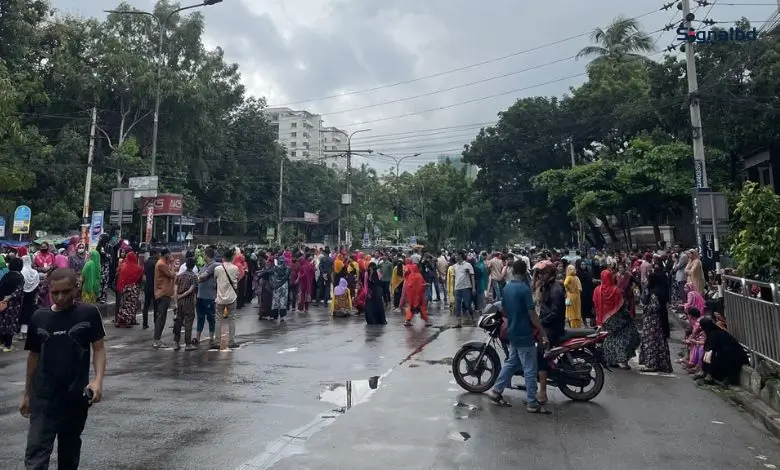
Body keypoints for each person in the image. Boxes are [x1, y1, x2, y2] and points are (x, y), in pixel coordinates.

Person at [21, 268, 106, 470]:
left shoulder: (88, 313)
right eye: (55, 293)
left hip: (74, 398)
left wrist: (97, 381)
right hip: (43, 398)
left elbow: (99, 349)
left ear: (76, 289)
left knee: (69, 455)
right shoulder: (39, 318)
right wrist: (26, 394)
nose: (60, 297)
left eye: (66, 292)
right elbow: (33, 357)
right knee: (36, 455)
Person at [485, 260, 550, 413]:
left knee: (512, 362)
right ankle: (532, 402)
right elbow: (532, 313)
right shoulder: (524, 289)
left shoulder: (507, 288)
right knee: (530, 368)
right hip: (524, 333)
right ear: (525, 271)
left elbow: (504, 310)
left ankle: (496, 390)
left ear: (513, 271)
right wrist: (542, 331)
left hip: (512, 331)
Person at [532, 261, 566, 405]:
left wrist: (541, 322)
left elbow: (555, 313)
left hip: (552, 327)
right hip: (546, 323)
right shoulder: (547, 286)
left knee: (541, 354)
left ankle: (543, 392)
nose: (541, 276)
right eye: (540, 273)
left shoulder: (556, 290)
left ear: (550, 274)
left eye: (543, 273)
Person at [594, 270, 640, 370]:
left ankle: (610, 360)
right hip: (619, 319)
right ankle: (623, 360)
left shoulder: (597, 290)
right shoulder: (616, 291)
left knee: (609, 338)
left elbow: (596, 305)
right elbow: (622, 306)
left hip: (605, 320)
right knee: (626, 336)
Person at [638, 266, 673, 373]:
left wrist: (643, 307)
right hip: (658, 321)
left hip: (652, 322)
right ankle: (660, 364)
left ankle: (652, 364)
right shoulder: (659, 291)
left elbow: (654, 307)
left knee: (651, 342)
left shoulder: (654, 293)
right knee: (659, 342)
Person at [696, 317, 748, 386]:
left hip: (735, 356)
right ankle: (705, 373)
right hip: (728, 352)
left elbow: (710, 349)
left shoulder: (715, 333)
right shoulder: (712, 332)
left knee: (713, 355)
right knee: (710, 354)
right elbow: (708, 348)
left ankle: (710, 376)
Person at [214, 248, 240, 348]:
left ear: (223, 258)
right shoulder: (235, 268)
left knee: (218, 320)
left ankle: (217, 342)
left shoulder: (217, 269)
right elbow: (237, 278)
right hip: (232, 297)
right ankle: (231, 341)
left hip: (220, 297)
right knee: (232, 320)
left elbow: (215, 281)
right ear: (232, 257)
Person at [173, 258, 198, 351]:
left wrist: (176, 301)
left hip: (179, 303)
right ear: (193, 266)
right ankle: (188, 344)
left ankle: (176, 343)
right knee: (188, 323)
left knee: (178, 322)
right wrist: (182, 296)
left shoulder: (179, 276)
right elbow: (191, 290)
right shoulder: (194, 276)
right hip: (189, 302)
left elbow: (175, 290)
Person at [0, 258, 25, 352]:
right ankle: (8, 345)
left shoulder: (6, 275)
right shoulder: (20, 277)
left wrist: (3, 298)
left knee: (2, 322)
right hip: (13, 304)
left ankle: (1, 343)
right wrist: (9, 297)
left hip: (2, 302)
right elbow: (19, 291)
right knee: (11, 323)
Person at [152, 250, 175, 349]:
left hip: (163, 293)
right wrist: (172, 264)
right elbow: (172, 275)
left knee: (162, 317)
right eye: (169, 255)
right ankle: (156, 340)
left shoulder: (161, 263)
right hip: (163, 293)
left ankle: (158, 339)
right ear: (165, 255)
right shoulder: (162, 264)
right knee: (161, 318)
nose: (170, 256)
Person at [115, 251, 143, 328]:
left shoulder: (123, 265)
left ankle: (118, 321)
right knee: (131, 305)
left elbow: (118, 274)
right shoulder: (138, 268)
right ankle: (128, 321)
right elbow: (140, 279)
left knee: (123, 305)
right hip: (133, 289)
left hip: (123, 288)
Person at [453, 250, 476, 328]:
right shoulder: (454, 266)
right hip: (457, 288)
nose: (455, 257)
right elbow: (454, 277)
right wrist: (453, 288)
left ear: (460, 255)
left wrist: (473, 288)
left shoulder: (468, 265)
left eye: (456, 255)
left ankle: (473, 320)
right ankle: (458, 322)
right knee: (457, 305)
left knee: (468, 304)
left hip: (466, 287)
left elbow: (472, 276)